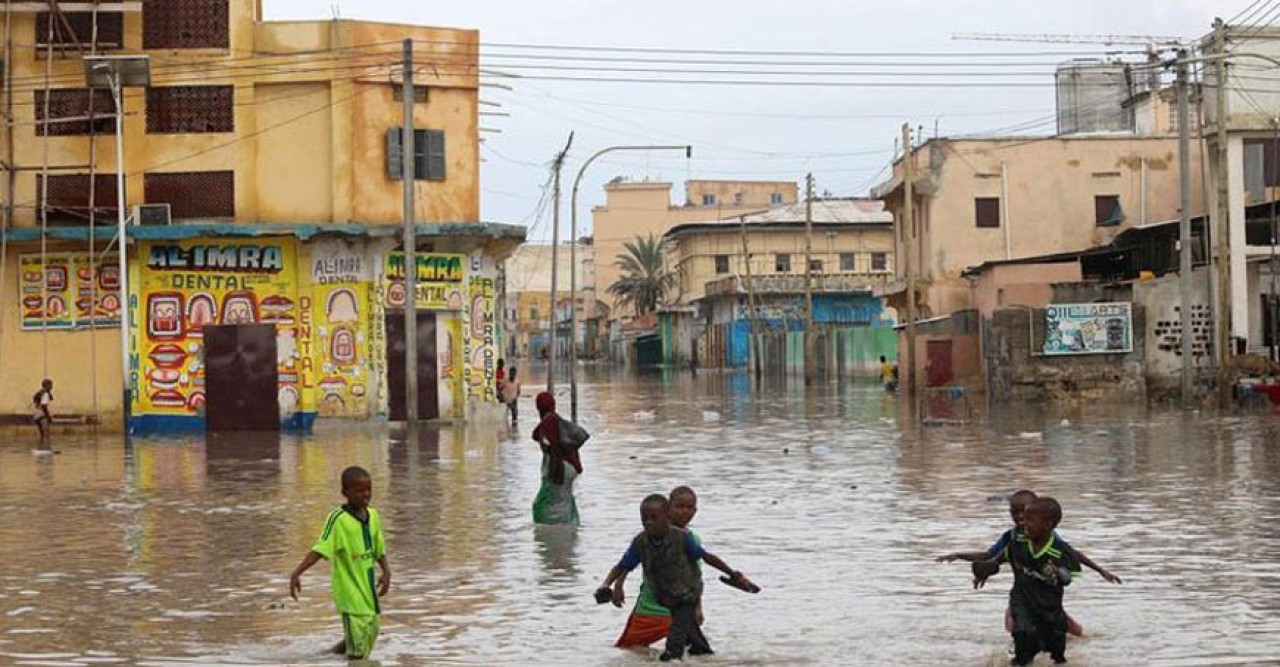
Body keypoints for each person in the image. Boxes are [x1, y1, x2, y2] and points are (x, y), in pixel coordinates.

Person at [936, 489, 1119, 637]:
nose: (1019, 517)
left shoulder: (1046, 537)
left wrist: (1100, 570)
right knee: (1017, 629)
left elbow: (1072, 554)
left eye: (1024, 513)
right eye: (1013, 513)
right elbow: (991, 556)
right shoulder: (1012, 537)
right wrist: (967, 560)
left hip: (1045, 596)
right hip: (1022, 595)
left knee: (1072, 632)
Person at [597, 494, 755, 662]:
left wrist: (734, 575)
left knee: (674, 645)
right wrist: (606, 584)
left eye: (653, 518)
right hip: (665, 597)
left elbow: (706, 558)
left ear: (667, 517)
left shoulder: (682, 538)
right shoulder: (640, 542)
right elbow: (622, 566)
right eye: (644, 519)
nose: (648, 522)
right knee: (697, 647)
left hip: (688, 595)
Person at [289, 466, 391, 660]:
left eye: (368, 489)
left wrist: (386, 572)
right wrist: (297, 572)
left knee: (371, 631)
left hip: (368, 591)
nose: (366, 495)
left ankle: (325, 656)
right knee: (358, 651)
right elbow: (321, 548)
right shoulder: (337, 519)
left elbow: (379, 548)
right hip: (350, 591)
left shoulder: (373, 516)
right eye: (359, 490)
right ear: (345, 492)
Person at [975, 497, 1080, 666]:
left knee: (1056, 655)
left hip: (1050, 608)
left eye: (1029, 520)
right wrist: (989, 568)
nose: (1024, 523)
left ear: (1047, 524)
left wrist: (1060, 574)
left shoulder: (1060, 550)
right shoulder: (1018, 542)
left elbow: (1071, 572)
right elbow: (1003, 555)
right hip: (1022, 601)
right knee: (1024, 633)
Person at [615, 486, 704, 650]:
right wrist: (618, 584)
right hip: (654, 605)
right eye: (679, 507)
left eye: (689, 508)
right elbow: (628, 561)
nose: (684, 512)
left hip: (655, 610)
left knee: (629, 648)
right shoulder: (651, 534)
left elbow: (693, 577)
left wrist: (697, 607)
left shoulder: (690, 539)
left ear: (695, 510)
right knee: (688, 650)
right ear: (669, 509)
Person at [531, 392, 590, 525]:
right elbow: (535, 435)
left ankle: (559, 535)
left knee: (554, 508)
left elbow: (555, 449)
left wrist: (556, 473)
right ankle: (567, 530)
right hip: (570, 467)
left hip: (561, 467)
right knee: (562, 501)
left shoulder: (550, 422)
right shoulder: (554, 420)